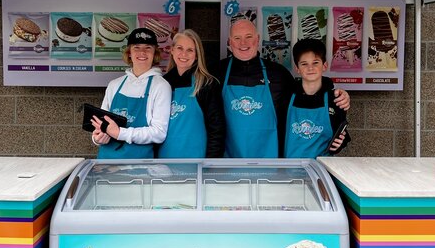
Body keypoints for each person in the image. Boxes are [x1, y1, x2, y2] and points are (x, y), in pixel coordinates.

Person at [217, 19, 350, 158]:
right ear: (229, 42)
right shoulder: (214, 74)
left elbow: (307, 93)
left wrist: (335, 92)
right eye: (237, 38)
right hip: (227, 160)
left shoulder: (278, 74)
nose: (243, 43)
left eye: (248, 37)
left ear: (257, 39)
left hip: (270, 162)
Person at [91, 27, 171, 159]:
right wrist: (97, 138)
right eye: (136, 47)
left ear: (154, 53)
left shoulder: (160, 86)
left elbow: (159, 133)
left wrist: (119, 133)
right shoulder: (114, 85)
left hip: (138, 167)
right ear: (129, 53)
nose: (142, 52)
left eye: (148, 48)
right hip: (106, 164)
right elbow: (100, 124)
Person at [160, 29, 225, 158]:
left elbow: (217, 130)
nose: (184, 54)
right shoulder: (162, 84)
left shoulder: (206, 84)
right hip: (164, 163)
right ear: (172, 50)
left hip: (197, 163)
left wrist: (210, 163)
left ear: (197, 55)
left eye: (190, 50)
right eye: (179, 48)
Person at [285, 38, 351, 158]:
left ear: (324, 65)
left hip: (322, 169)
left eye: (315, 62)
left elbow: (342, 133)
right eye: (304, 64)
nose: (310, 68)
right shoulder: (286, 96)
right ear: (297, 68)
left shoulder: (335, 99)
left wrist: (340, 142)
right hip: (289, 168)